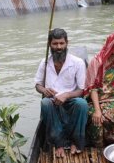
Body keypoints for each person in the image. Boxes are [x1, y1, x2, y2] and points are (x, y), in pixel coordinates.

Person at [34, 28, 88, 158]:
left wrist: (66, 95)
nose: (59, 47)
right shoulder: (44, 62)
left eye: (61, 43)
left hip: (71, 101)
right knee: (45, 103)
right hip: (52, 101)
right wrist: (44, 90)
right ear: (49, 44)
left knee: (82, 104)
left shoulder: (77, 63)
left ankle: (76, 141)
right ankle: (59, 143)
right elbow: (37, 85)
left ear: (66, 43)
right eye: (55, 44)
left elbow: (82, 90)